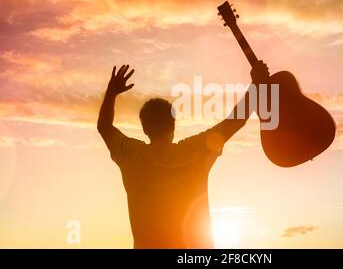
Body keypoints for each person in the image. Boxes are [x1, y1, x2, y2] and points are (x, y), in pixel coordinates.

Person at [97, 62, 269, 248]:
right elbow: (234, 121)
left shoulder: (131, 154)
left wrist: (111, 92)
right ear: (173, 126)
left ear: (145, 128)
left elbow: (104, 127)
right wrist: (256, 86)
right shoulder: (195, 151)